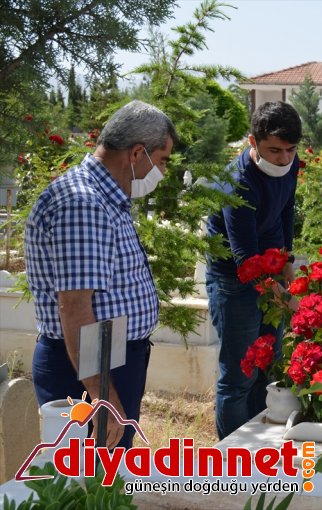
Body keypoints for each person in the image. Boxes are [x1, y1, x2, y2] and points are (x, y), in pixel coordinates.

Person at [25, 100, 178, 449]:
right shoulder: (84, 203)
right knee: (89, 474)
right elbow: (75, 308)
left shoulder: (106, 198)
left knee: (106, 472)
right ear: (137, 153)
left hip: (104, 361)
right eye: (162, 160)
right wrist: (101, 394)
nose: (163, 172)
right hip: (86, 369)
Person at [206, 101, 302, 439]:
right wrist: (286, 300)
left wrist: (287, 263)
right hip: (233, 278)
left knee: (268, 367)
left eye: (290, 150)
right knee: (239, 375)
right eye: (274, 150)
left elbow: (287, 209)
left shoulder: (289, 165)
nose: (283, 159)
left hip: (270, 267)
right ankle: (233, 454)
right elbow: (245, 260)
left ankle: (261, 444)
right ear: (253, 142)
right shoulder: (237, 182)